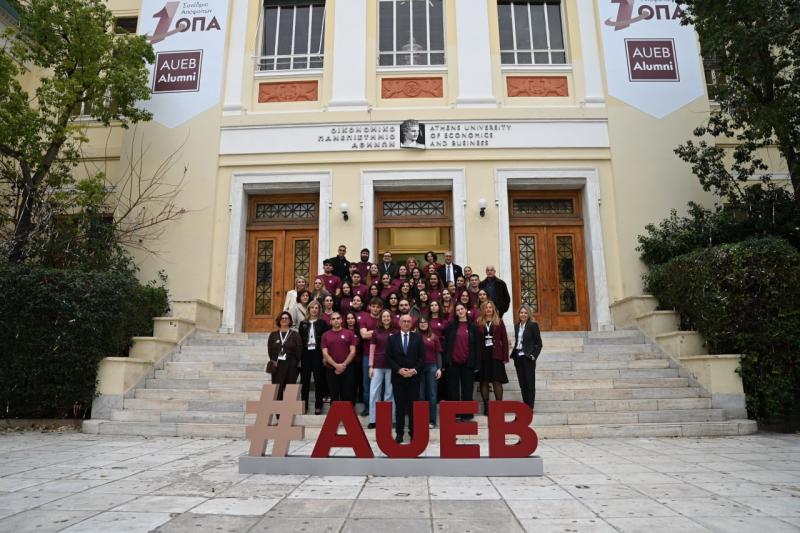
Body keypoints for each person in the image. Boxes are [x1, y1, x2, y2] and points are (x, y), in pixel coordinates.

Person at [385, 314, 426, 443]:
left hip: (414, 378)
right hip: (398, 378)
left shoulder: (418, 338)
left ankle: (413, 433)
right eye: (404, 321)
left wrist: (414, 370)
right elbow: (388, 358)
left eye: (409, 321)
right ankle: (399, 433)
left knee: (413, 407)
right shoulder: (392, 338)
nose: (406, 323)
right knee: (400, 407)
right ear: (400, 323)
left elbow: (422, 358)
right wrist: (399, 370)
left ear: (411, 323)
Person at [443, 303, 480, 419]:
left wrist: (476, 364)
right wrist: (445, 362)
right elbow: (446, 345)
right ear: (456, 312)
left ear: (466, 310)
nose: (460, 311)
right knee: (453, 390)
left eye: (462, 309)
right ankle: (455, 413)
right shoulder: (451, 327)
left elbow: (477, 347)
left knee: (467, 390)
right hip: (452, 363)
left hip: (468, 363)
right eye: (458, 310)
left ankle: (467, 414)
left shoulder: (473, 327)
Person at [476, 300, 509, 415]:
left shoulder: (499, 321)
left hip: (496, 355)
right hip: (483, 356)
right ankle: (486, 406)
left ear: (493, 309)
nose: (488, 309)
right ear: (483, 310)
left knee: (497, 381)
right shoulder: (478, 322)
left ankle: (499, 407)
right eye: (486, 307)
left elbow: (504, 340)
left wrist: (505, 357)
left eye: (490, 307)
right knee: (484, 381)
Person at [298, 301, 329, 414]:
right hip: (306, 353)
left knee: (318, 380)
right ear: (309, 309)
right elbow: (300, 342)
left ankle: (318, 405)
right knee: (304, 380)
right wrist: (299, 358)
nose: (314, 310)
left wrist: (325, 356)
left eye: (316, 308)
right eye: (312, 308)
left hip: (318, 353)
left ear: (319, 310)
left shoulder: (323, 323)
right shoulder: (303, 323)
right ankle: (304, 405)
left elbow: (326, 341)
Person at [368, 309, 396, 429]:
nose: (386, 318)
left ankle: (391, 419)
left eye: (388, 316)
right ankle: (373, 420)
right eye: (384, 316)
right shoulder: (376, 332)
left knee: (389, 393)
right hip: (377, 366)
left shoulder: (395, 332)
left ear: (391, 318)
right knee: (374, 392)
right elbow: (372, 350)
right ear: (381, 318)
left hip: (391, 366)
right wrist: (370, 366)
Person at [321, 313, 358, 403]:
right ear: (330, 321)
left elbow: (353, 352)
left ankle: (347, 412)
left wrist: (343, 365)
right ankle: (335, 412)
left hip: (347, 369)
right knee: (334, 396)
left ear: (341, 320)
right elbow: (325, 353)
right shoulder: (325, 335)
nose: (336, 320)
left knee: (347, 395)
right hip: (331, 369)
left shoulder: (349, 333)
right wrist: (336, 365)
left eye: (338, 318)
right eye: (333, 319)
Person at [512, 304, 543, 410]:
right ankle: (525, 406)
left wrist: (533, 356)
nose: (523, 315)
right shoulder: (517, 326)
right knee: (522, 384)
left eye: (525, 313)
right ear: (519, 314)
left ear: (529, 314)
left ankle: (530, 408)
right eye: (521, 313)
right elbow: (518, 341)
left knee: (529, 384)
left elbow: (539, 344)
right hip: (518, 358)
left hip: (528, 358)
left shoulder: (533, 325)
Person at [267, 311, 303, 401]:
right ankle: (278, 410)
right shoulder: (273, 335)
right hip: (277, 366)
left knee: (290, 391)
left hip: (291, 366)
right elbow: (270, 350)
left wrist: (295, 362)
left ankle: (288, 409)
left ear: (290, 321)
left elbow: (299, 350)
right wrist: (273, 360)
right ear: (279, 320)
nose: (284, 320)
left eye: (286, 318)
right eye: (282, 318)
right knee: (277, 391)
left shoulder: (295, 335)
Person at [359, 297, 384, 417]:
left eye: (378, 307)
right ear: (369, 307)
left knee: (382, 383)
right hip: (367, 355)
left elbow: (387, 334)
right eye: (373, 306)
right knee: (367, 383)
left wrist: (371, 332)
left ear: (381, 308)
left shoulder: (384, 318)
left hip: (382, 355)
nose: (375, 309)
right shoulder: (365, 318)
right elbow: (364, 335)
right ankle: (368, 407)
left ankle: (381, 407)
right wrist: (379, 333)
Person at [417, 317, 442, 428]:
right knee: (420, 395)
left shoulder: (434, 336)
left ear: (428, 324)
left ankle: (432, 421)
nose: (423, 324)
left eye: (425, 322)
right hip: (419, 368)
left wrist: (439, 368)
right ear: (418, 325)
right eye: (421, 323)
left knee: (432, 394)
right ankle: (422, 420)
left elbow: (438, 353)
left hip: (432, 367)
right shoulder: (415, 336)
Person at [344, 311, 363, 406]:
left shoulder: (359, 332)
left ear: (355, 320)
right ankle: (350, 404)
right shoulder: (343, 331)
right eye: (348, 318)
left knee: (359, 381)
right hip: (347, 361)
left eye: (352, 318)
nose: (350, 320)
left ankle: (360, 400)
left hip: (358, 361)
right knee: (349, 383)